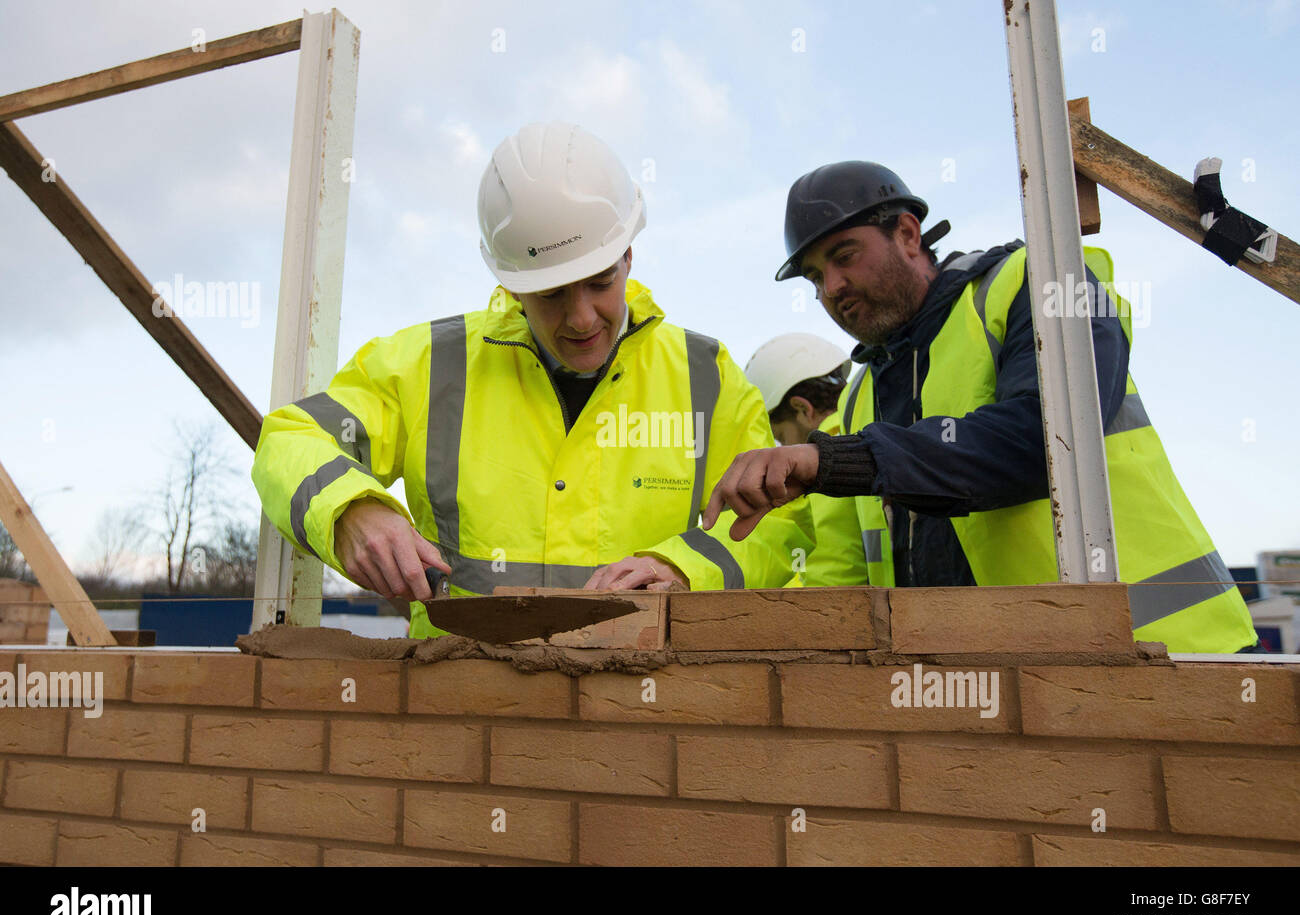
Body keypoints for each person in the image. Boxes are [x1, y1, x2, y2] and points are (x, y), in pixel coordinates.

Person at [252, 122, 811, 638]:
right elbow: (288, 438)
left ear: (628, 257)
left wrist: (683, 570)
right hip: (459, 702)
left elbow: (779, 522)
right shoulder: (428, 364)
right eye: (551, 295)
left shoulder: (705, 377)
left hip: (640, 706)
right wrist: (351, 509)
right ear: (513, 288)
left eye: (598, 282)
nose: (582, 318)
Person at [703, 160, 1255, 654]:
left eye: (844, 256)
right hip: (1011, 701)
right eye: (815, 277)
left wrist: (835, 462)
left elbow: (1049, 439)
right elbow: (840, 578)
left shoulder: (1032, 285)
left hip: (1174, 656)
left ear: (908, 233)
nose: (832, 287)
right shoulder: (855, 404)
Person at [745, 334, 861, 586]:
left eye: (782, 436)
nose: (784, 450)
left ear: (802, 409)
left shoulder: (822, 469)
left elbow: (830, 574)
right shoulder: (873, 437)